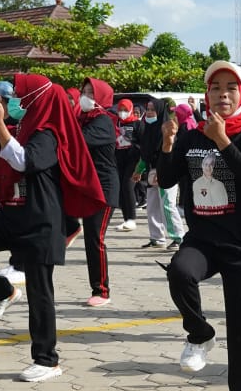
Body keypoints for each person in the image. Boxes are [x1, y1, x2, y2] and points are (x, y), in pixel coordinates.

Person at [0, 74, 105, 380]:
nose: (13, 101)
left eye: (19, 95)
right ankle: (2, 291)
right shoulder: (18, 129)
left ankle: (47, 360)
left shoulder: (48, 134)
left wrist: (0, 127)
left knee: (41, 294)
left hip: (41, 222)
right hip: (13, 217)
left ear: (34, 100)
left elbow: (26, 162)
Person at [162, 61, 241, 391]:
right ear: (206, 94)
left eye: (231, 88)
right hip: (204, 239)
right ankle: (199, 334)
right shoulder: (193, 136)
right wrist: (167, 141)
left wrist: (223, 138)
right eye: (215, 88)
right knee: (179, 271)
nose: (222, 94)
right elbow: (165, 179)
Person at [75, 78, 120, 306]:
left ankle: (102, 291)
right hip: (88, 187)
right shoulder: (82, 119)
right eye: (84, 92)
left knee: (95, 238)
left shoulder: (101, 121)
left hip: (104, 189)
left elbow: (77, 142)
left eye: (91, 93)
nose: (86, 96)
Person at [136, 99, 185, 249]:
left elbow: (169, 152)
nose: (149, 112)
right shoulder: (148, 130)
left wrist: (160, 170)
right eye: (148, 109)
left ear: (160, 111)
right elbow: (145, 154)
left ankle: (178, 237)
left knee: (168, 205)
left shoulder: (168, 128)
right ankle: (157, 238)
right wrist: (138, 171)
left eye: (152, 109)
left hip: (167, 173)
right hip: (152, 173)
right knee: (152, 206)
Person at [113, 98, 141, 231]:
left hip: (133, 160)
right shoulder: (116, 122)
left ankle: (132, 219)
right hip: (119, 159)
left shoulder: (137, 124)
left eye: (125, 110)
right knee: (122, 189)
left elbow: (142, 143)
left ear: (130, 110)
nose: (122, 112)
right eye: (120, 110)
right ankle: (126, 220)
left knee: (127, 186)